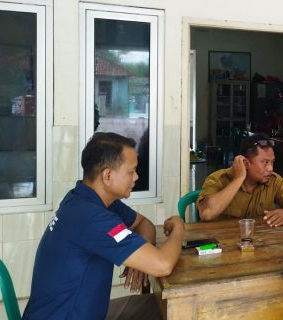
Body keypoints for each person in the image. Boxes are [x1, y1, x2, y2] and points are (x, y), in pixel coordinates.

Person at [23, 132, 185, 320]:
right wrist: (179, 227)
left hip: (86, 313)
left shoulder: (88, 199)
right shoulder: (91, 217)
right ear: (107, 175)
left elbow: (143, 223)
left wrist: (142, 251)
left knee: (162, 306)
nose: (136, 177)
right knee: (176, 310)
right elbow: (163, 265)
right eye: (131, 172)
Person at [197, 133, 283, 226]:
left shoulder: (273, 180)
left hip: (259, 240)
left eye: (272, 162)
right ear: (245, 163)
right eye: (265, 162)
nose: (270, 168)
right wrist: (238, 179)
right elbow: (206, 213)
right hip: (222, 241)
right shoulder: (218, 178)